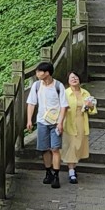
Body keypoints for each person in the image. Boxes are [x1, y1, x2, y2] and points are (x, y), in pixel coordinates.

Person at [26, 59, 68, 187]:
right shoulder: (37, 86)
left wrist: (60, 122)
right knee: (44, 149)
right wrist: (29, 120)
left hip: (55, 122)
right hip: (42, 121)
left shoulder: (58, 86)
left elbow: (64, 106)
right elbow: (31, 103)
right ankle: (48, 172)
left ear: (47, 73)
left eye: (40, 71)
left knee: (55, 148)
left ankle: (56, 175)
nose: (37, 73)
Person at [60, 70, 97, 184]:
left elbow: (92, 111)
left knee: (78, 146)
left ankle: (73, 167)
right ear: (68, 81)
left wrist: (90, 106)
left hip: (81, 122)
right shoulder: (65, 93)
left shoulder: (85, 93)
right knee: (71, 145)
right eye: (72, 78)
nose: (74, 79)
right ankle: (71, 172)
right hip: (69, 122)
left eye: (76, 77)